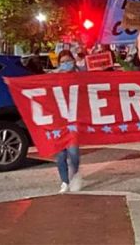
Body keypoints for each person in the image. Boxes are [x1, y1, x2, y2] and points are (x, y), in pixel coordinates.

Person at [55, 50, 83, 193]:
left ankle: (75, 175)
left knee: (73, 153)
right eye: (63, 62)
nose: (66, 64)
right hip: (58, 121)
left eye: (68, 61)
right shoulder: (54, 78)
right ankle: (65, 182)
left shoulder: (80, 76)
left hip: (74, 120)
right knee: (60, 155)